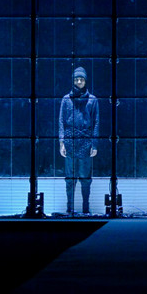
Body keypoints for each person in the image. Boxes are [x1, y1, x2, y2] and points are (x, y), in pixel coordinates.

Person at [59, 66, 100, 214]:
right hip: (70, 142)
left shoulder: (92, 100)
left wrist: (94, 144)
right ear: (73, 80)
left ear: (85, 80)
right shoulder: (66, 99)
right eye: (76, 79)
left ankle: (85, 208)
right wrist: (61, 142)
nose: (79, 81)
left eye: (81, 79)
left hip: (86, 142)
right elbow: (61, 121)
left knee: (85, 178)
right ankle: (69, 208)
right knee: (70, 179)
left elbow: (96, 123)